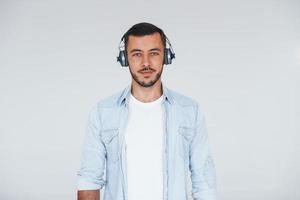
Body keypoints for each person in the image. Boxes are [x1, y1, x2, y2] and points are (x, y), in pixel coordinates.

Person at [77, 22, 217, 200]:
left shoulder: (190, 111)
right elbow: (89, 181)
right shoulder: (102, 113)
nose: (146, 63)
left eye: (154, 53)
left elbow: (204, 183)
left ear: (166, 56)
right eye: (136, 54)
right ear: (124, 58)